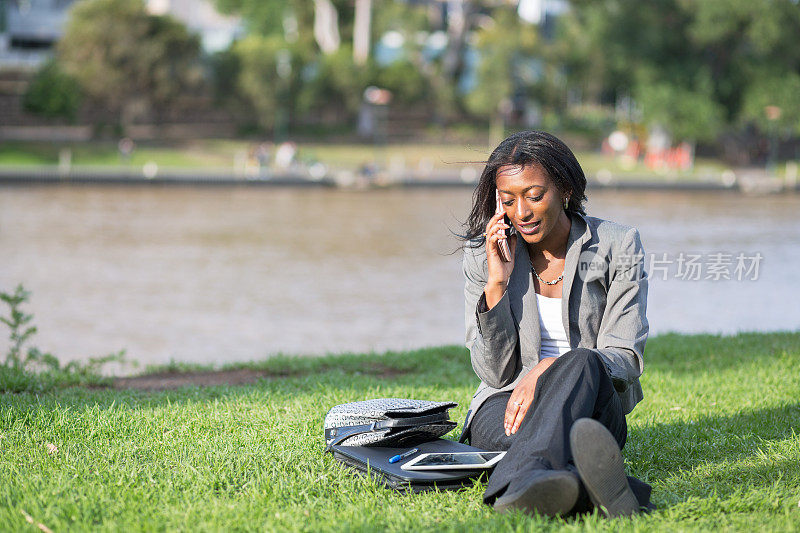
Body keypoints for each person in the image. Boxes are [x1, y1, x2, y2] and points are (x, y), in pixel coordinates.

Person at [459, 131, 653, 517]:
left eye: (534, 195)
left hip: (591, 406)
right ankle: (588, 486)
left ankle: (517, 488)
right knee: (521, 440)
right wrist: (496, 283)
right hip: (506, 403)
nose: (522, 212)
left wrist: (550, 368)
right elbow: (495, 374)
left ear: (564, 189)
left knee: (581, 360)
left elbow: (625, 356)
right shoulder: (485, 256)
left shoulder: (617, 245)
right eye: (509, 200)